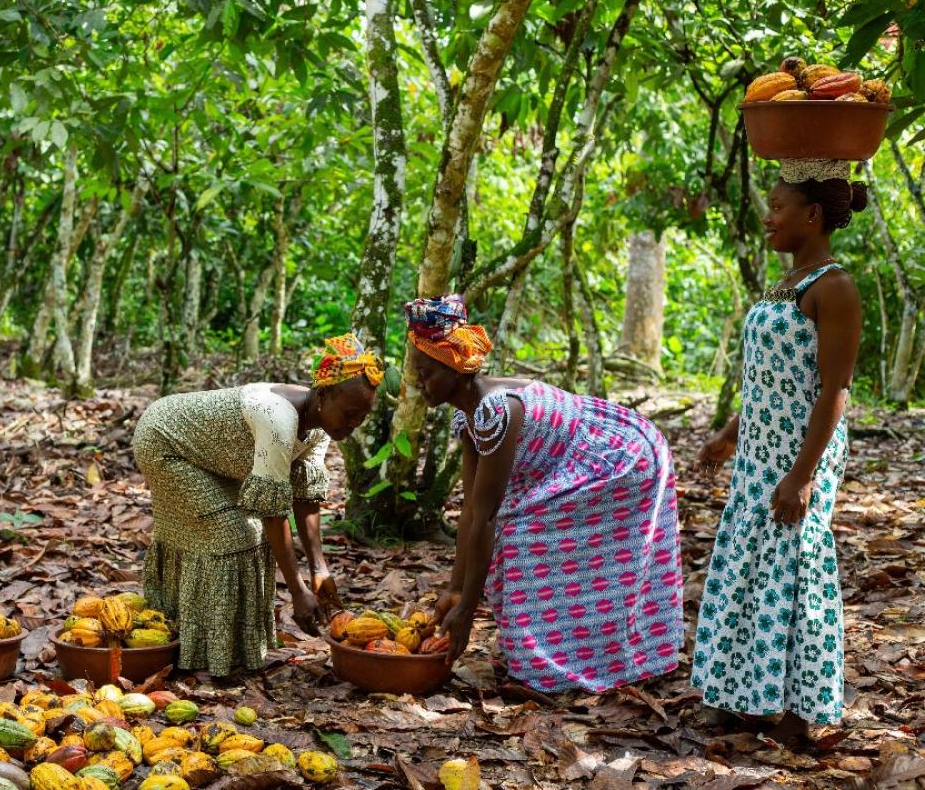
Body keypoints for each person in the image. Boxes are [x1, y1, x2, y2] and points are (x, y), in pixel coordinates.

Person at [407, 295, 683, 692]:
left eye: (425, 373)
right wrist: (454, 589)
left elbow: (487, 517)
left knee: (522, 539)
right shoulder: (468, 415)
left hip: (621, 458)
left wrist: (467, 609)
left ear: (454, 367)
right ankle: (558, 658)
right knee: (513, 536)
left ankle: (575, 664)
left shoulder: (496, 410)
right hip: (576, 463)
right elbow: (470, 510)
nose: (418, 382)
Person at [693, 159, 865, 744]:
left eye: (778, 208)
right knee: (750, 563)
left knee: (796, 566)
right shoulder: (786, 283)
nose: (768, 218)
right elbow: (774, 379)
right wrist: (730, 432)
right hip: (760, 451)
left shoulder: (835, 288)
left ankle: (800, 712)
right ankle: (740, 691)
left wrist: (802, 475)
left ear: (811, 215)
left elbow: (834, 390)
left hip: (801, 453)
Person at [134, 333, 381, 676]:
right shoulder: (278, 418)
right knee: (233, 535)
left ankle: (227, 649)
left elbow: (305, 498)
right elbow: (272, 512)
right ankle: (203, 651)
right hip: (166, 442)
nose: (354, 424)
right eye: (351, 414)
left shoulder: (319, 426)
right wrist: (297, 591)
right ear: (324, 395)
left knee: (253, 537)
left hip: (217, 459)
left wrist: (319, 570)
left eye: (362, 418)